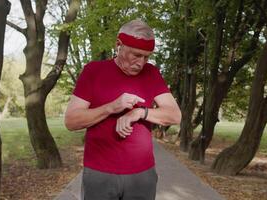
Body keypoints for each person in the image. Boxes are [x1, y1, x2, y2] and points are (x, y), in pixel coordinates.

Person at [64, 19, 181, 200]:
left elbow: (174, 115)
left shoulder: (152, 73)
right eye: (136, 55)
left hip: (142, 175)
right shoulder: (93, 71)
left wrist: (139, 112)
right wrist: (111, 107)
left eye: (146, 57)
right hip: (99, 174)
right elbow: (71, 121)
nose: (141, 63)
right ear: (119, 45)